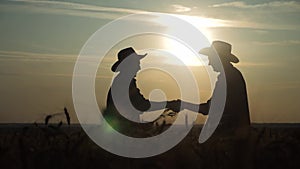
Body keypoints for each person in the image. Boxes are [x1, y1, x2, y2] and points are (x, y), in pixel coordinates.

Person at [104, 47, 181, 137]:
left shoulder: (123, 80)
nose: (139, 67)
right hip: (124, 132)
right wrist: (170, 104)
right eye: (136, 63)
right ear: (129, 64)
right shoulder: (125, 82)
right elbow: (142, 105)